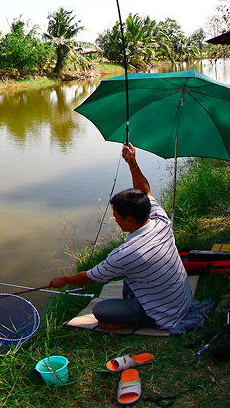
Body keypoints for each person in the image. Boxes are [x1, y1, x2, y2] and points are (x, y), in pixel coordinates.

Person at [49, 142, 193, 332]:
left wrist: (64, 280)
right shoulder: (160, 219)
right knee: (128, 281)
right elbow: (145, 191)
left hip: (166, 311)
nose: (114, 220)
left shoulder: (126, 253)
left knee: (101, 311)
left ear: (130, 220)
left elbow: (90, 277)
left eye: (117, 217)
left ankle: (146, 320)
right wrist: (132, 163)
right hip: (181, 298)